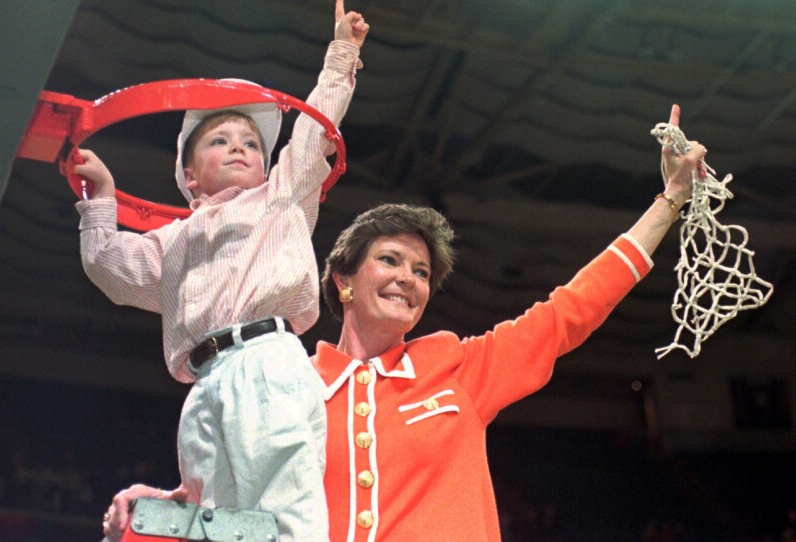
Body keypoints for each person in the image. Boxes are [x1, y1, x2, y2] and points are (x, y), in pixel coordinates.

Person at [102, 105, 705, 542]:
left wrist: (667, 203)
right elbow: (227, 507)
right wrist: (156, 511)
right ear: (342, 280)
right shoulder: (288, 386)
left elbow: (569, 312)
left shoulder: (458, 371)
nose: (408, 279)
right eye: (389, 261)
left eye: (421, 272)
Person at [76, 2, 369, 541]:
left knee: (286, 517)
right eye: (220, 140)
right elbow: (108, 267)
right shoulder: (173, 240)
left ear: (266, 162)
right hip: (205, 383)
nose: (239, 146)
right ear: (189, 175)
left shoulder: (282, 195)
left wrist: (342, 52)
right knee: (214, 526)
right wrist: (103, 197)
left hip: (269, 364)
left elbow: (311, 133)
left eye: (252, 143)